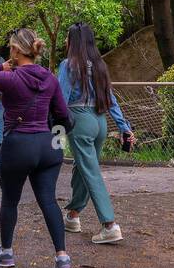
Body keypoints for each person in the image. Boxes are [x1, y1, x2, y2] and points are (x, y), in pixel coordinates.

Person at [0, 28, 75, 268]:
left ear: (15, 50)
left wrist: (0, 68)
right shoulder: (49, 77)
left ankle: (5, 252)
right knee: (48, 199)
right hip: (48, 146)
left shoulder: (10, 78)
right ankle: (62, 257)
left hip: (18, 144)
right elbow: (61, 113)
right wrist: (58, 145)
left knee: (10, 199)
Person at [57, 22, 135, 243]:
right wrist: (123, 126)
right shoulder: (100, 66)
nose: (65, 41)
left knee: (90, 171)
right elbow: (111, 100)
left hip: (80, 121)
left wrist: (52, 128)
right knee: (82, 167)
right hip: (100, 123)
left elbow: (61, 99)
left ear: (73, 42)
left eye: (67, 37)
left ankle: (109, 225)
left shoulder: (68, 65)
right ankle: (73, 216)